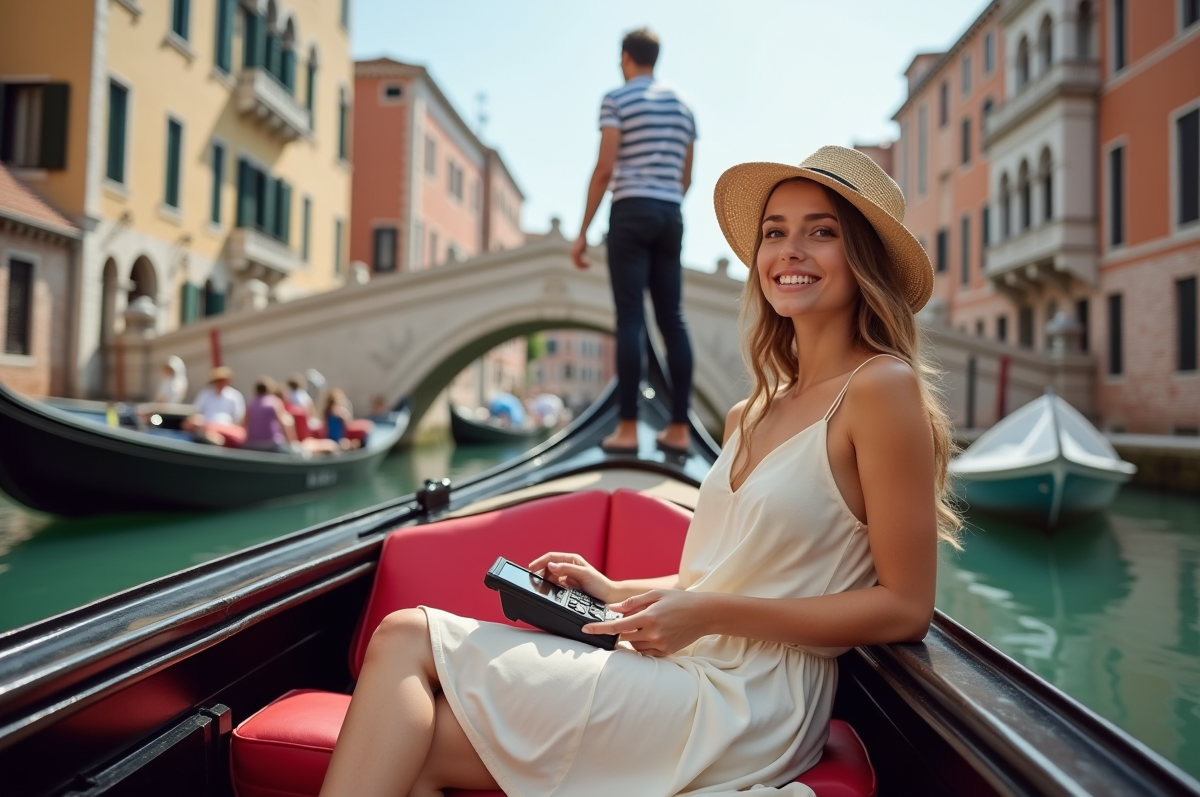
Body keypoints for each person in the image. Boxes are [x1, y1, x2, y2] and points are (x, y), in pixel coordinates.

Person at [317, 146, 960, 797]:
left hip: (754, 699)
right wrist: (613, 586)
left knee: (404, 635)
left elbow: (904, 608)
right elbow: (722, 573)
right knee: (418, 748)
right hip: (685, 665)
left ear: (864, 259)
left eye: (821, 232)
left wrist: (707, 614)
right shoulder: (748, 414)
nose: (790, 250)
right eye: (775, 232)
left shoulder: (881, 388)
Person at [571, 27, 696, 454]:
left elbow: (605, 168)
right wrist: (665, 203)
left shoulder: (617, 99)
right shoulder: (683, 107)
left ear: (625, 57)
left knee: (629, 318)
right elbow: (687, 177)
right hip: (670, 214)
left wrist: (583, 231)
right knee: (672, 320)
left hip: (629, 211)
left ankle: (627, 429)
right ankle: (679, 428)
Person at [183, 366, 245, 445]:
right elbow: (195, 411)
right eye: (218, 381)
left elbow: (239, 419)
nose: (221, 383)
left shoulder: (235, 396)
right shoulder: (205, 394)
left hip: (228, 428)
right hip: (207, 427)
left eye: (223, 380)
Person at [242, 376, 298, 453]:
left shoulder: (251, 403)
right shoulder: (275, 402)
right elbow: (284, 424)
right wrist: (291, 444)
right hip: (272, 445)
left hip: (252, 445)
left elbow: (243, 424)